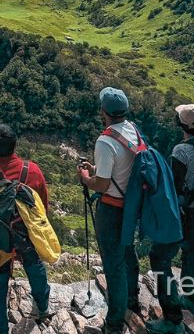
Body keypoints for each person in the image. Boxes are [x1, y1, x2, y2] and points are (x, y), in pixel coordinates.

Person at [0, 124, 51, 334]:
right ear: (15, 144)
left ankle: (0, 328)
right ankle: (43, 307)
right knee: (35, 270)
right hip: (27, 235)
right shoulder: (33, 171)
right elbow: (42, 207)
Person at [78, 87, 141, 334]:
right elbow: (121, 168)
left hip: (112, 208)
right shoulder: (133, 130)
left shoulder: (105, 141)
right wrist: (97, 167)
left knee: (113, 265)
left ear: (103, 111)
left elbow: (102, 184)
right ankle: (133, 300)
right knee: (128, 252)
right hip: (131, 204)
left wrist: (85, 177)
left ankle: (114, 322)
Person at [146, 104, 194, 334]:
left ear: (180, 124)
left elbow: (173, 188)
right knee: (193, 253)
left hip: (184, 214)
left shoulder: (181, 151)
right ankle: (193, 300)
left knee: (160, 258)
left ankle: (172, 320)